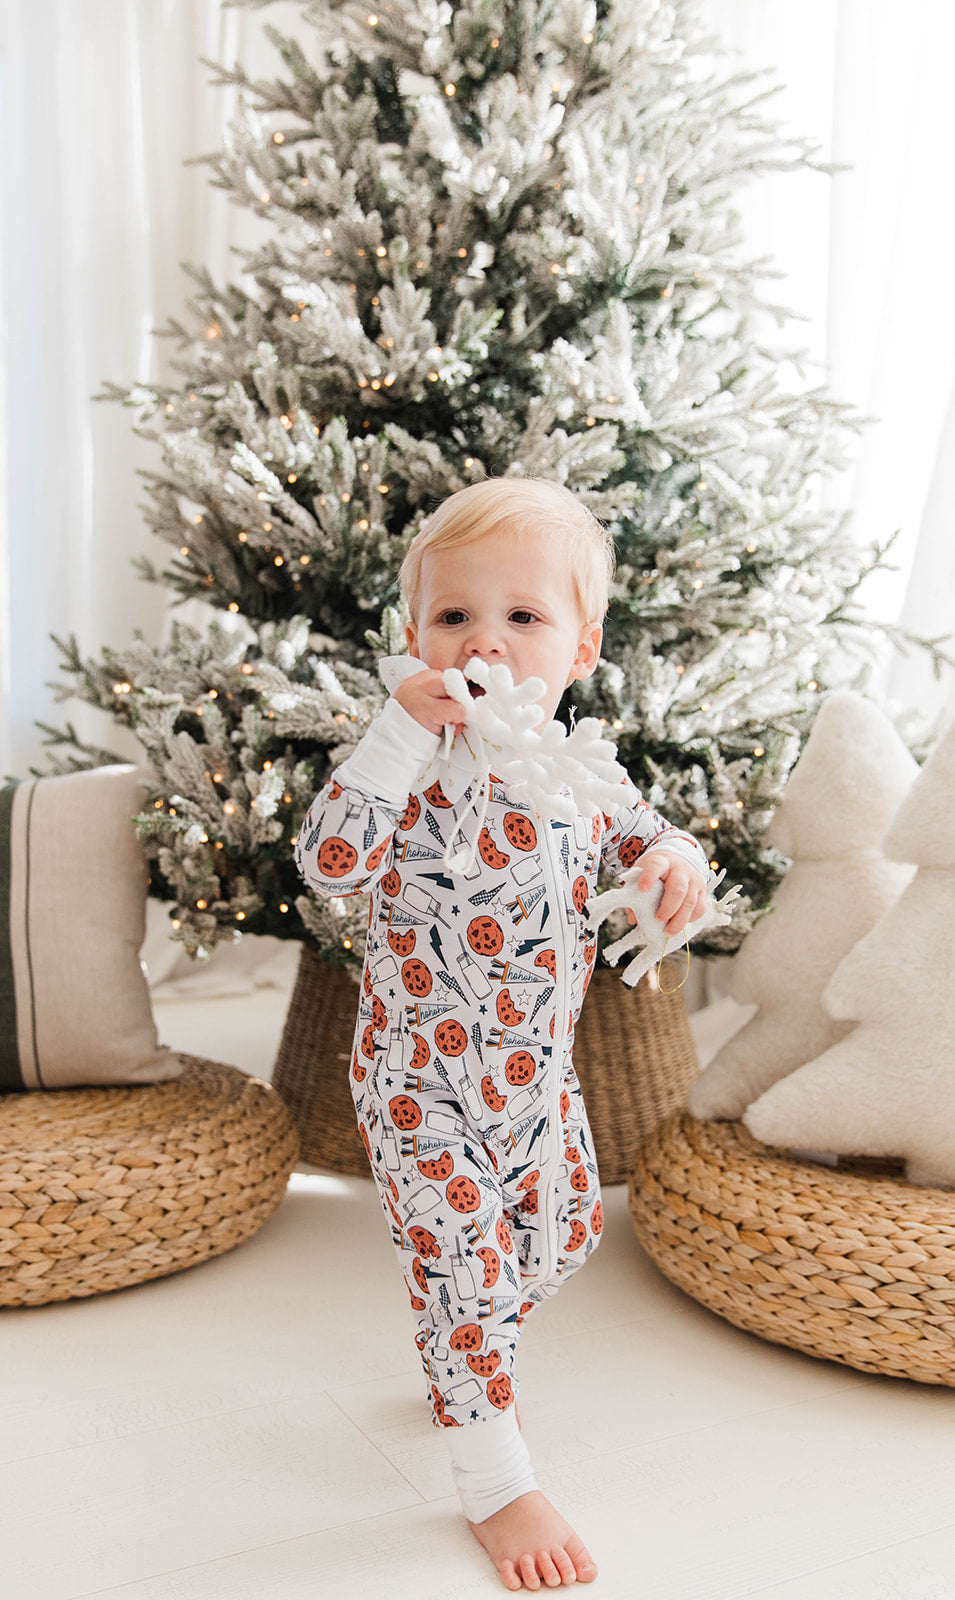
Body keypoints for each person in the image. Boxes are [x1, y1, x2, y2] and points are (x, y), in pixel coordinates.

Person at [295, 477, 711, 1592]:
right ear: (415, 638)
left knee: (565, 1235)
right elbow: (330, 863)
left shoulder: (574, 776)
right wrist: (392, 736)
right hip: (415, 1079)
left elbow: (647, 834)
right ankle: (491, 1471)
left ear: (579, 649)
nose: (483, 640)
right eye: (452, 616)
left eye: (521, 617)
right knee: (470, 1265)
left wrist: (676, 862)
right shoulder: (406, 762)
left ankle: (455, 1344)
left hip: (533, 1083)